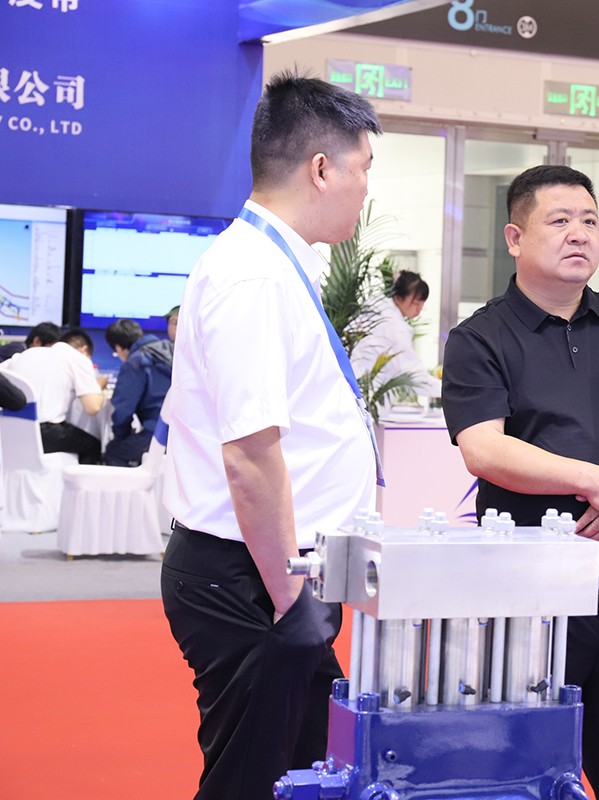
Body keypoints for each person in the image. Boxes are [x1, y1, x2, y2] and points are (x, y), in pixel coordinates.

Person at [160, 71, 381, 800]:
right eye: (363, 168)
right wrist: (292, 598)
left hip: (271, 574)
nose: (365, 189)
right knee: (252, 779)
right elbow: (251, 456)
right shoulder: (253, 275)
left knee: (300, 768)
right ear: (321, 169)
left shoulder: (275, 264)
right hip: (254, 579)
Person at [441, 164, 599, 800]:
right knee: (522, 777)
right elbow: (483, 448)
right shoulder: (479, 337)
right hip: (530, 600)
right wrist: (595, 482)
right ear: (515, 238)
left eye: (590, 221)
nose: (580, 234)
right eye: (560, 220)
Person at [0, 323, 103, 463]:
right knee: (93, 446)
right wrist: (98, 385)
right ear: (84, 349)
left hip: (7, 431)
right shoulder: (78, 358)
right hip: (44, 434)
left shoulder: (22, 355)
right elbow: (93, 407)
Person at [349, 269, 441, 401]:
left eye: (422, 304)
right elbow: (412, 374)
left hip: (352, 385)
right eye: (416, 303)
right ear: (398, 298)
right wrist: (447, 389)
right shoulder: (393, 325)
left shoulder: (375, 306)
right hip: (366, 392)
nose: (419, 309)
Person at [103, 319, 173, 467]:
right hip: (187, 434)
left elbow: (123, 409)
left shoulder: (135, 362)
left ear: (118, 348)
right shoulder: (172, 349)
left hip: (158, 435)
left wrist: (121, 434)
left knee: (114, 451)